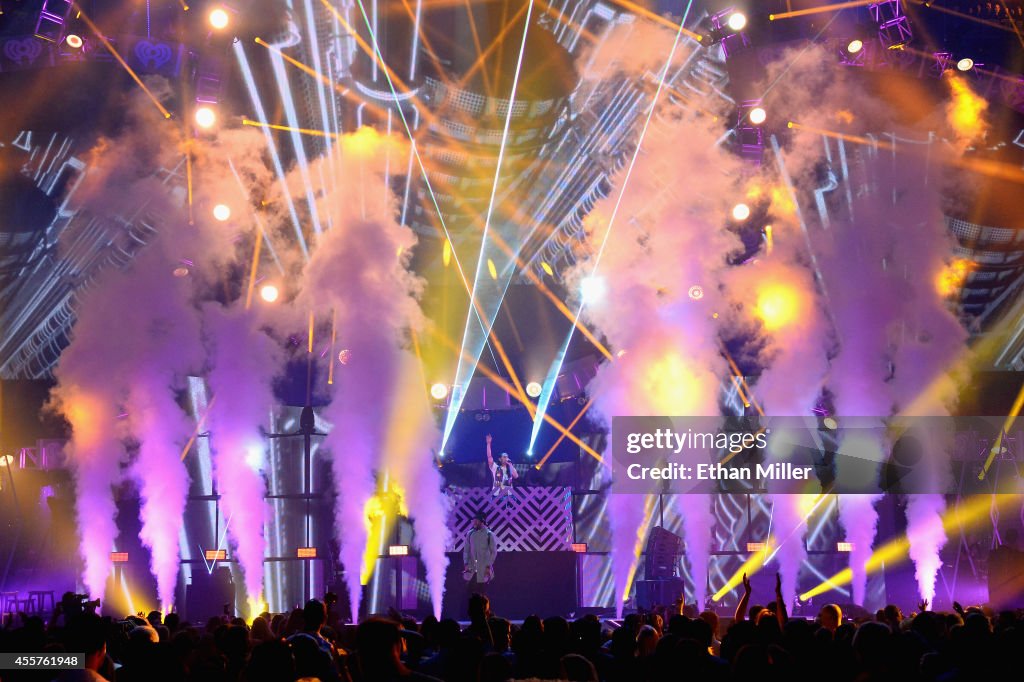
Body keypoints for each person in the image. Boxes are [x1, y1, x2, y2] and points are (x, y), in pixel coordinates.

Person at [463, 512, 498, 595]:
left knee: (482, 594)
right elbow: (466, 550)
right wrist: (466, 563)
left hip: (484, 570)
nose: (474, 523)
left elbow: (494, 552)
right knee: (470, 594)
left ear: (482, 522)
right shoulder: (470, 534)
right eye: (473, 521)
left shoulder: (489, 535)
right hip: (471, 569)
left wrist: (488, 566)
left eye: (476, 521)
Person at [485, 434, 518, 506]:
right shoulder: (495, 467)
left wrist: (511, 465)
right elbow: (489, 457)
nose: (506, 458)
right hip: (497, 496)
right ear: (500, 459)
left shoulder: (510, 467)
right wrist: (488, 444)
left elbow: (516, 476)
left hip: (509, 495)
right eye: (504, 457)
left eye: (507, 457)